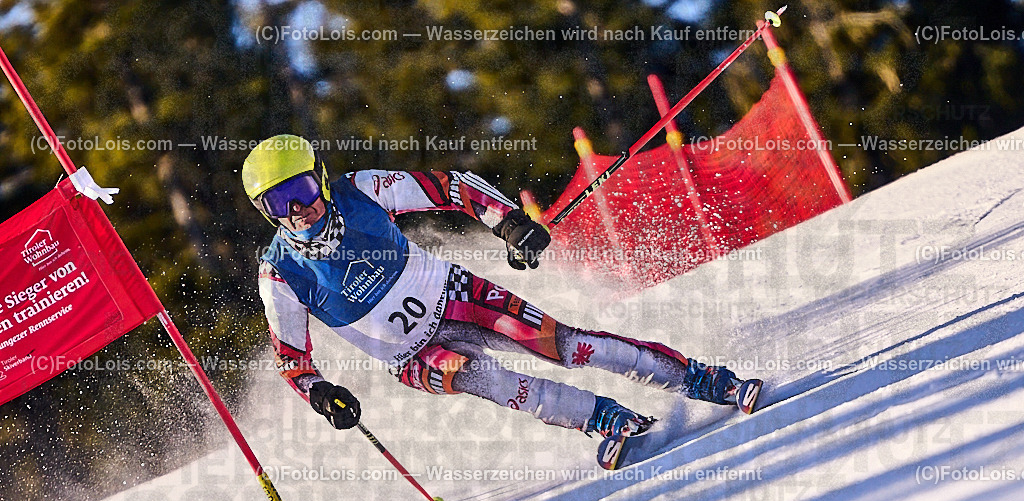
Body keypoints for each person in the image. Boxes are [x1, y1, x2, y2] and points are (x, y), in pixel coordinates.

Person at [242, 134, 753, 457]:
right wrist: (323, 396)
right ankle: (600, 419)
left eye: (303, 190)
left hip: (457, 295)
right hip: (412, 356)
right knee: (494, 381)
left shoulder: (363, 190)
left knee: (568, 346)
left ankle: (701, 379)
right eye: (278, 203)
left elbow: (452, 187)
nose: (297, 210)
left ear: (323, 181)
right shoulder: (280, 273)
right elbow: (293, 361)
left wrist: (507, 222)